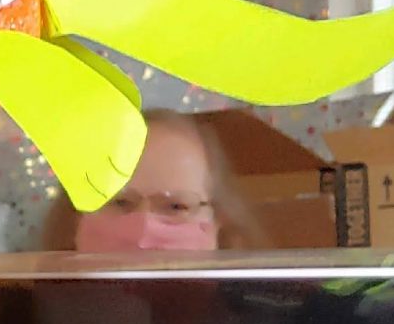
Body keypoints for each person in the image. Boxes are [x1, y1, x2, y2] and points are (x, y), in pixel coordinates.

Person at [39, 108, 260, 254]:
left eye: (176, 206)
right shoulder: (29, 310)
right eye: (120, 202)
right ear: (73, 220)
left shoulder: (261, 313)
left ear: (222, 221)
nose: (143, 233)